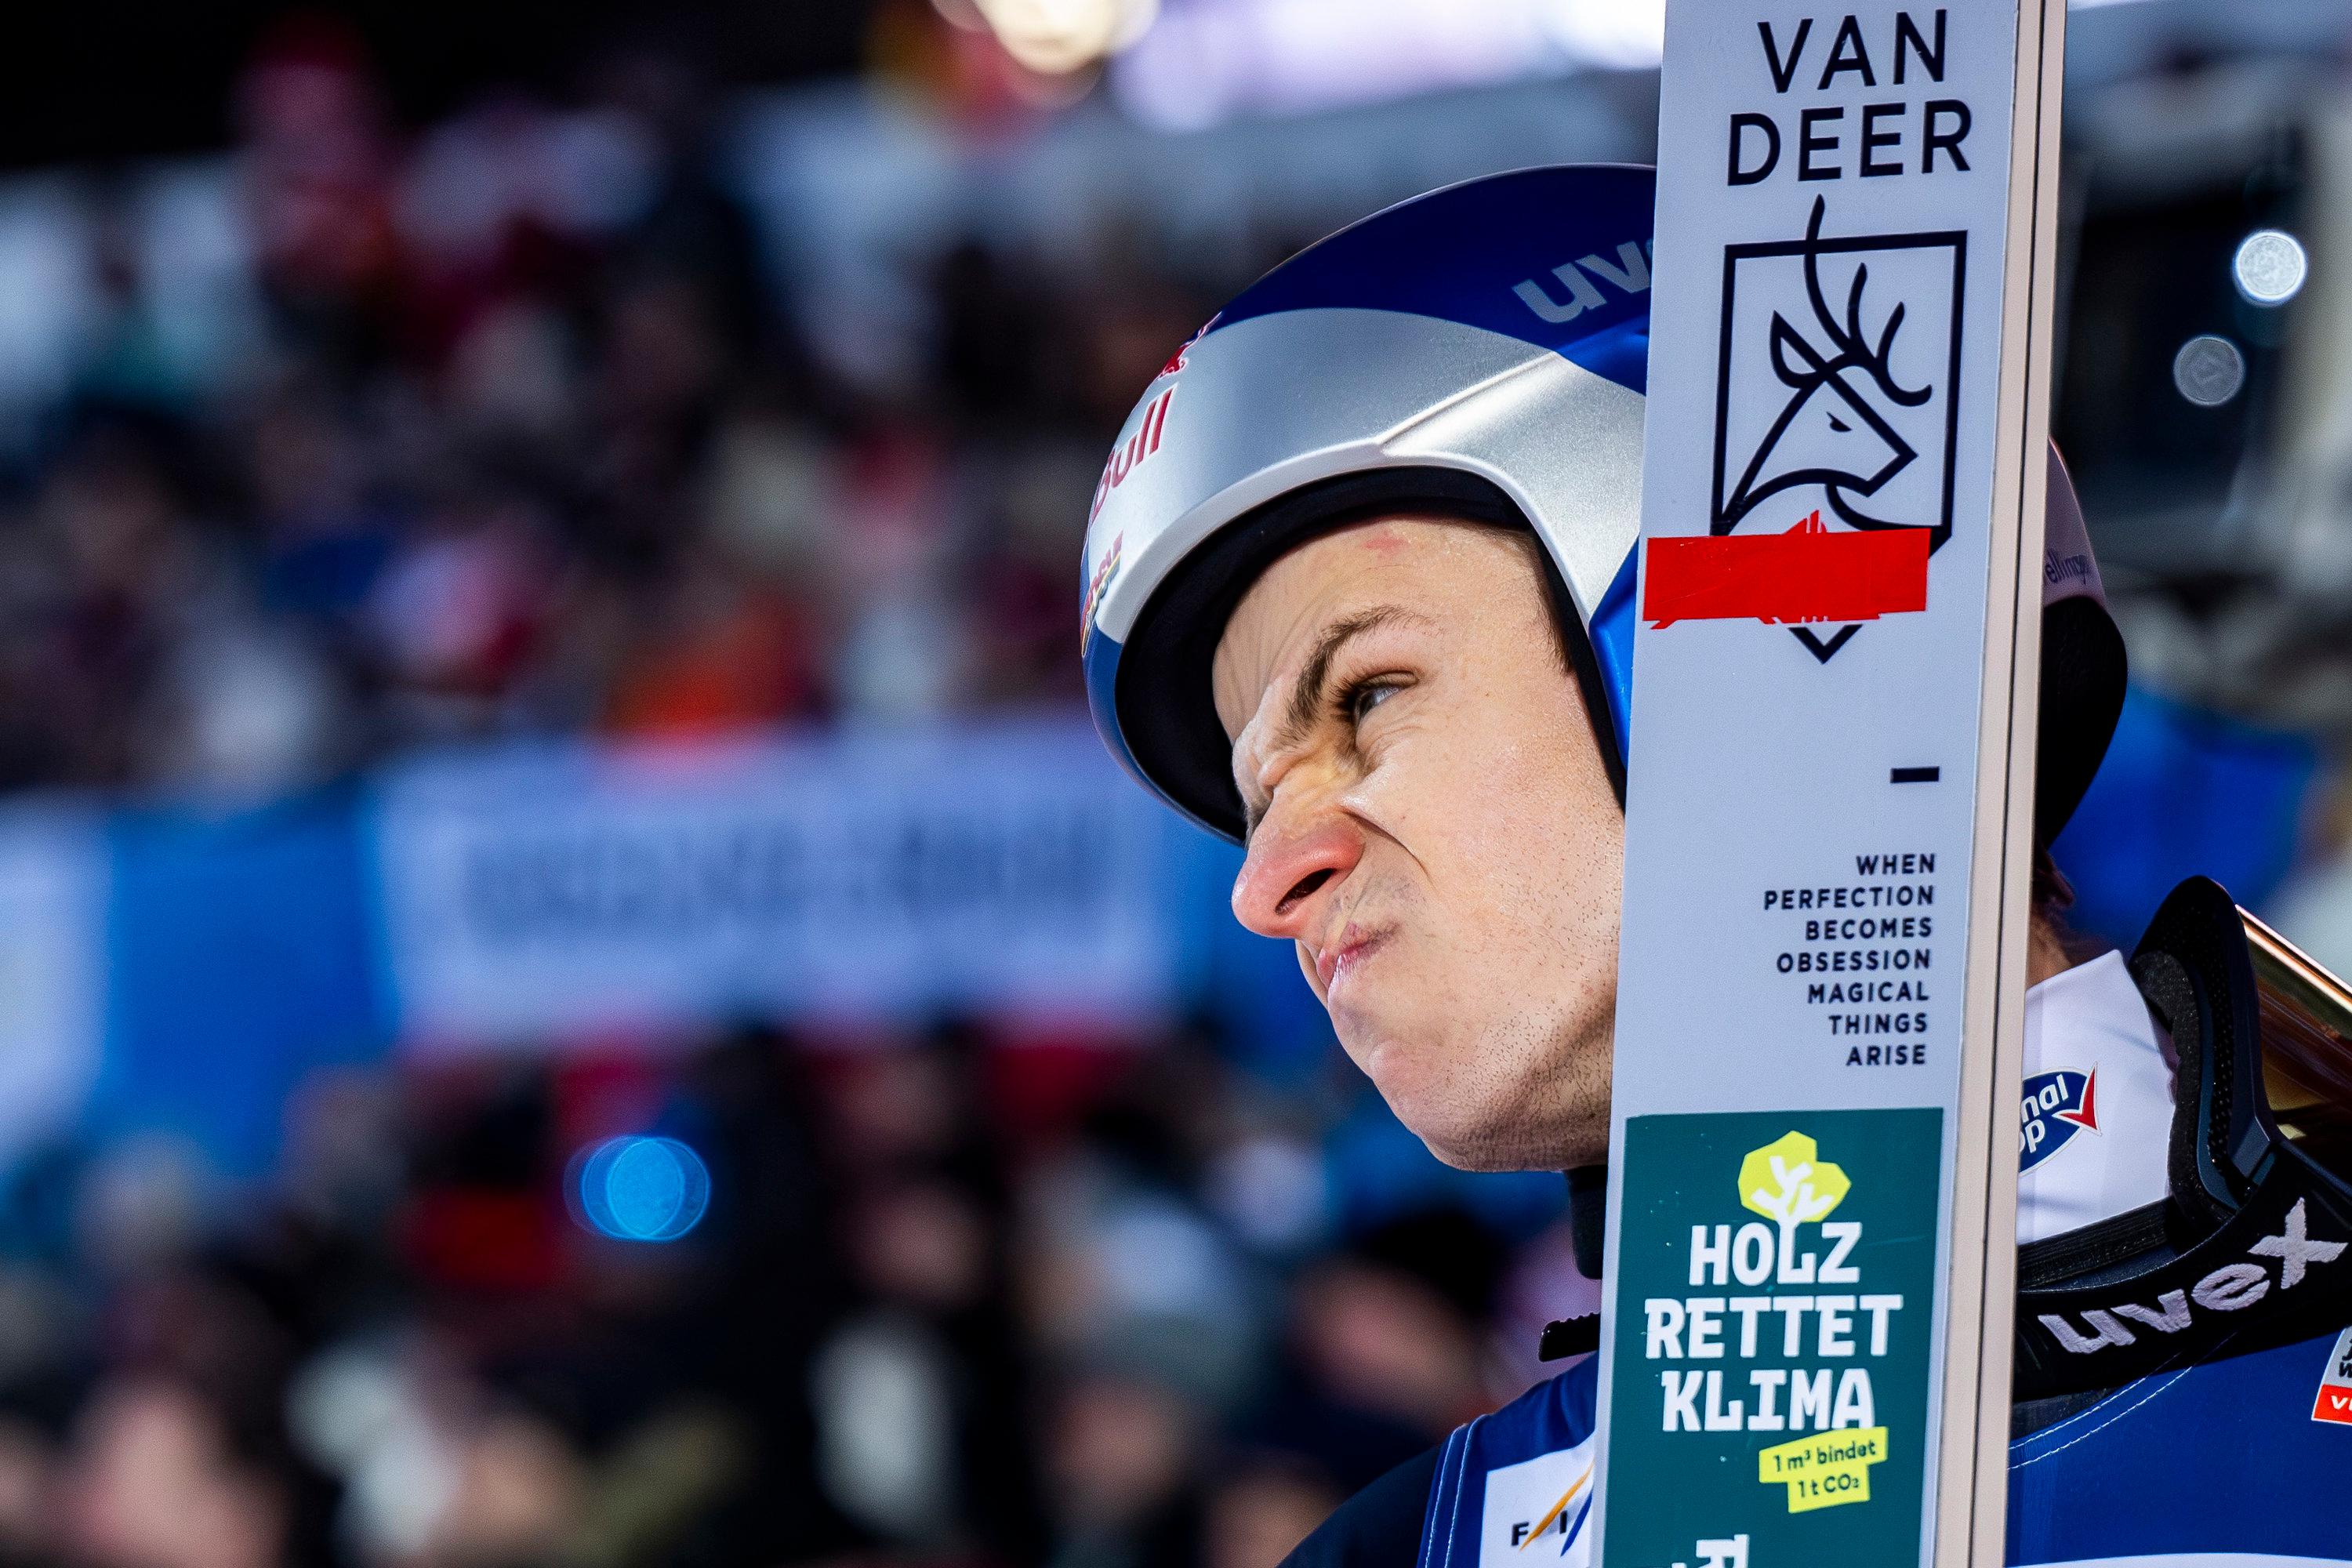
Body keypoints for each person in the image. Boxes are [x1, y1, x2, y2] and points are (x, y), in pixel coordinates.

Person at [1076, 165, 2352, 1567]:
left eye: (1367, 696)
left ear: (1769, 627)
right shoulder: (1405, 1549)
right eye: (1255, 807)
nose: (1271, 882)